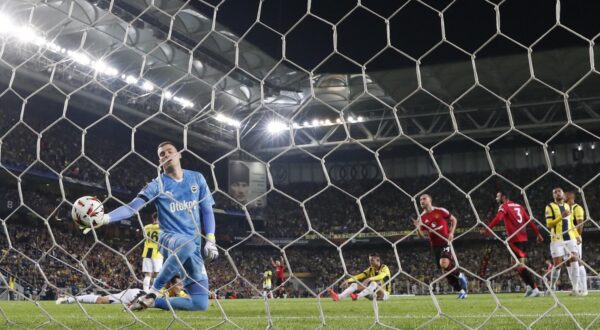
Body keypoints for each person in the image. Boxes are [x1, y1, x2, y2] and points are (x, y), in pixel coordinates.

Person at [76, 141, 219, 311]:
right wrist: (105, 218)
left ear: (179, 154)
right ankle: (154, 291)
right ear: (159, 162)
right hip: (169, 239)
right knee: (185, 244)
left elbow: (207, 211)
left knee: (200, 304)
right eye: (162, 154)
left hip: (194, 244)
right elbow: (132, 207)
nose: (166, 155)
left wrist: (210, 239)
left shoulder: (197, 178)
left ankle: (148, 301)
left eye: (169, 151)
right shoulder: (157, 185)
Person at [482, 191, 543, 297]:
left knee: (519, 265)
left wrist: (487, 229)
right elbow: (529, 221)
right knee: (515, 264)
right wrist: (538, 234)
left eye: (498, 196)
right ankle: (529, 286)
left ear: (504, 197)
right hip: (523, 238)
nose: (496, 199)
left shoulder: (504, 206)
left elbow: (498, 218)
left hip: (515, 239)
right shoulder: (519, 206)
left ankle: (535, 288)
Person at [412, 194, 468, 299]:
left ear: (430, 200)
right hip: (435, 246)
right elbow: (422, 236)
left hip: (446, 242)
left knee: (444, 263)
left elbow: (454, 220)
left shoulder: (440, 211)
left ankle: (460, 275)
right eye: (420, 200)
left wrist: (451, 233)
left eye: (424, 198)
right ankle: (461, 291)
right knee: (445, 271)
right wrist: (417, 228)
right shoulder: (421, 218)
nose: (422, 201)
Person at [545, 187, 581, 296]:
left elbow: (570, 223)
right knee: (558, 265)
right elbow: (549, 224)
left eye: (559, 191)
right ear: (553, 196)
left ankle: (575, 288)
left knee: (574, 260)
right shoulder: (549, 207)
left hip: (570, 238)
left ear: (563, 194)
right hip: (557, 239)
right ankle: (552, 287)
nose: (557, 193)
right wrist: (561, 216)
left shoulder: (567, 206)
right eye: (555, 192)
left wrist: (577, 235)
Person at [56, 276, 185, 305]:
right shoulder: (161, 291)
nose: (181, 287)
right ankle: (68, 299)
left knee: (102, 299)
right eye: (179, 285)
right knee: (102, 300)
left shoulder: (181, 294)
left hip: (137, 295)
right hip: (133, 295)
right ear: (171, 285)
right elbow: (146, 299)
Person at [565, 191, 587, 296]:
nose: (563, 198)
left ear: (571, 198)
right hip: (566, 239)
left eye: (566, 196)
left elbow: (580, 224)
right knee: (568, 262)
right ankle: (575, 288)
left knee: (578, 261)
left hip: (575, 238)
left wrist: (577, 236)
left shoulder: (577, 208)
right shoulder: (566, 209)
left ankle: (584, 289)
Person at [142, 212, 163, 291]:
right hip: (157, 253)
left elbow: (144, 237)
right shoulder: (161, 227)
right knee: (157, 274)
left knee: (148, 274)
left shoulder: (146, 227)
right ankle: (154, 292)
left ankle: (145, 291)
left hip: (147, 252)